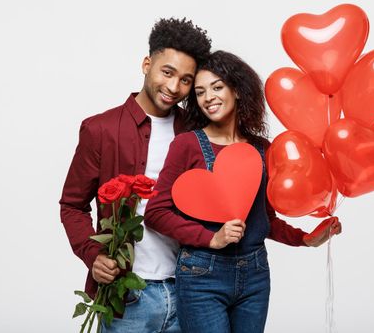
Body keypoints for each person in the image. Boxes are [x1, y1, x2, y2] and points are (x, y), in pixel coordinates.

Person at [145, 50, 342, 333]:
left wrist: (305, 239)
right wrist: (211, 238)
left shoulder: (264, 149)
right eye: (200, 92)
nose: (208, 97)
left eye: (217, 87)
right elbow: (156, 212)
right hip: (202, 275)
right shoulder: (186, 145)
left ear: (236, 90)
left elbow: (266, 219)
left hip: (255, 275)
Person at [59, 17, 212, 332]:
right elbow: (72, 204)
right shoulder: (100, 129)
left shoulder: (197, 133)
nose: (173, 87)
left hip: (188, 290)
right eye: (167, 72)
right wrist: (94, 254)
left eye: (186, 80)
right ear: (147, 64)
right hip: (126, 297)